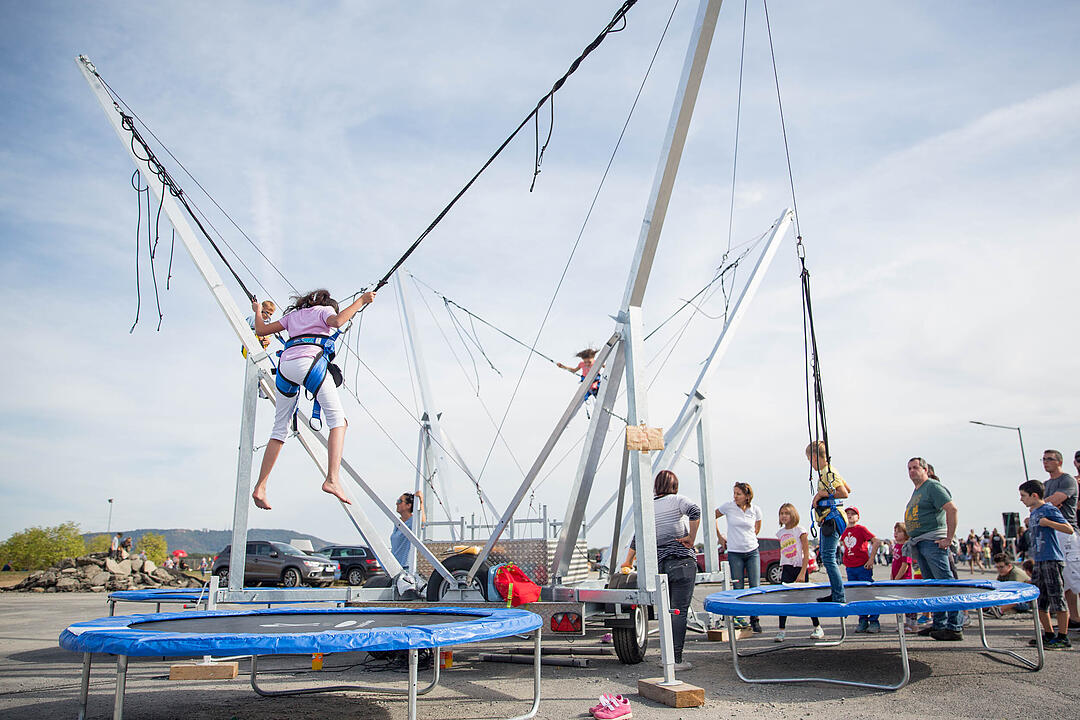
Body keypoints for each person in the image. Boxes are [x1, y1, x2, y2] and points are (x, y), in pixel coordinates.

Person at [250, 288, 376, 510]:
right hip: (309, 363)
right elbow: (337, 321)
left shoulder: (293, 316)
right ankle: (332, 479)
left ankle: (261, 487)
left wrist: (257, 311)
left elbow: (261, 329)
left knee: (279, 429)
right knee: (338, 421)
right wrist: (362, 301)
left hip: (285, 366)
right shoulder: (325, 311)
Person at [621, 470, 700, 670]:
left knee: (666, 612)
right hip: (683, 562)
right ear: (675, 486)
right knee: (679, 612)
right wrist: (691, 538)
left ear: (656, 486)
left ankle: (666, 659)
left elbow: (637, 536)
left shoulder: (648, 507)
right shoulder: (677, 500)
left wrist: (627, 561)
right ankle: (676, 661)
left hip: (661, 566)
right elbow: (695, 511)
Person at [903, 457, 962, 640]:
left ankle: (954, 626)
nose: (912, 471)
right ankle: (939, 623)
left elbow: (952, 509)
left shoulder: (933, 487)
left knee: (946, 583)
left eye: (915, 468)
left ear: (925, 469)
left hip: (933, 542)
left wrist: (948, 538)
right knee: (933, 586)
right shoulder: (917, 491)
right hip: (921, 543)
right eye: (909, 468)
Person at [1018, 479, 1074, 649]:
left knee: (1057, 598)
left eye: (1023, 496)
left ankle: (1063, 636)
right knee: (1039, 600)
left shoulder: (1048, 509)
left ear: (1034, 495)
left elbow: (1068, 529)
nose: (1021, 499)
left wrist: (1048, 523)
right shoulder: (1034, 512)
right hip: (1039, 560)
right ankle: (1048, 633)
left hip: (1052, 559)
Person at [1040, 449, 1080, 631]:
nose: (1045, 462)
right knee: (1064, 579)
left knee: (1075, 575)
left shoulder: (1067, 480)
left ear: (1059, 461)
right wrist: (1046, 504)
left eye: (1049, 459)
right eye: (1043, 459)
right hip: (1052, 533)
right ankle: (1075, 617)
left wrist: (1045, 504)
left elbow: (1052, 501)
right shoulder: (1046, 483)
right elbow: (1041, 504)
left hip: (1067, 532)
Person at [716, 482, 764, 632]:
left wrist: (748, 538)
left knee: (755, 586)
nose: (735, 496)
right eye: (734, 493)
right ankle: (738, 618)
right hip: (734, 552)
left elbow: (757, 528)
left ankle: (754, 618)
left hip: (752, 551)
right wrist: (720, 536)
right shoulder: (728, 507)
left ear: (747, 496)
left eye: (739, 494)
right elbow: (713, 516)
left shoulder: (755, 510)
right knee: (738, 586)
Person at [806, 440, 850, 603]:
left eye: (810, 460)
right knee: (827, 556)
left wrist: (821, 494)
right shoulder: (831, 471)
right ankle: (836, 592)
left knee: (828, 557)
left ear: (815, 458)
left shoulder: (828, 473)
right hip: (831, 517)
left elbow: (844, 492)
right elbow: (848, 487)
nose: (811, 464)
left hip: (832, 517)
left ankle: (839, 595)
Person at [774, 503, 824, 642]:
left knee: (807, 599)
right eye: (781, 513)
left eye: (787, 513)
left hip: (799, 568)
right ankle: (781, 630)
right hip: (787, 568)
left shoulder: (799, 531)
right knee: (784, 600)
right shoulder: (781, 533)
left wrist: (803, 572)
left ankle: (817, 626)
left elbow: (806, 553)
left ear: (793, 515)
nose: (784, 516)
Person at [840, 507, 883, 633]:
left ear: (858, 517)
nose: (850, 516)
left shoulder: (861, 529)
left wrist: (871, 559)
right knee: (857, 594)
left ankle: (874, 620)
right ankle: (862, 620)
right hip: (850, 567)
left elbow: (876, 541)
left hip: (862, 566)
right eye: (848, 514)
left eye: (853, 514)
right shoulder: (844, 531)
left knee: (867, 593)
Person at [891, 522, 919, 632]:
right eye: (895, 531)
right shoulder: (896, 546)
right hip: (896, 578)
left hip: (905, 579)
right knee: (900, 602)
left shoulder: (906, 546)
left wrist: (897, 578)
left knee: (908, 603)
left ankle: (913, 624)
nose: (896, 534)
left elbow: (905, 565)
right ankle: (906, 623)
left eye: (899, 532)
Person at [391, 490, 425, 573]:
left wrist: (421, 502)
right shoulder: (397, 523)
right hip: (394, 566)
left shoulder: (412, 521)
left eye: (400, 501)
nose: (397, 503)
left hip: (406, 567)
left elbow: (422, 522)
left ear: (408, 505)